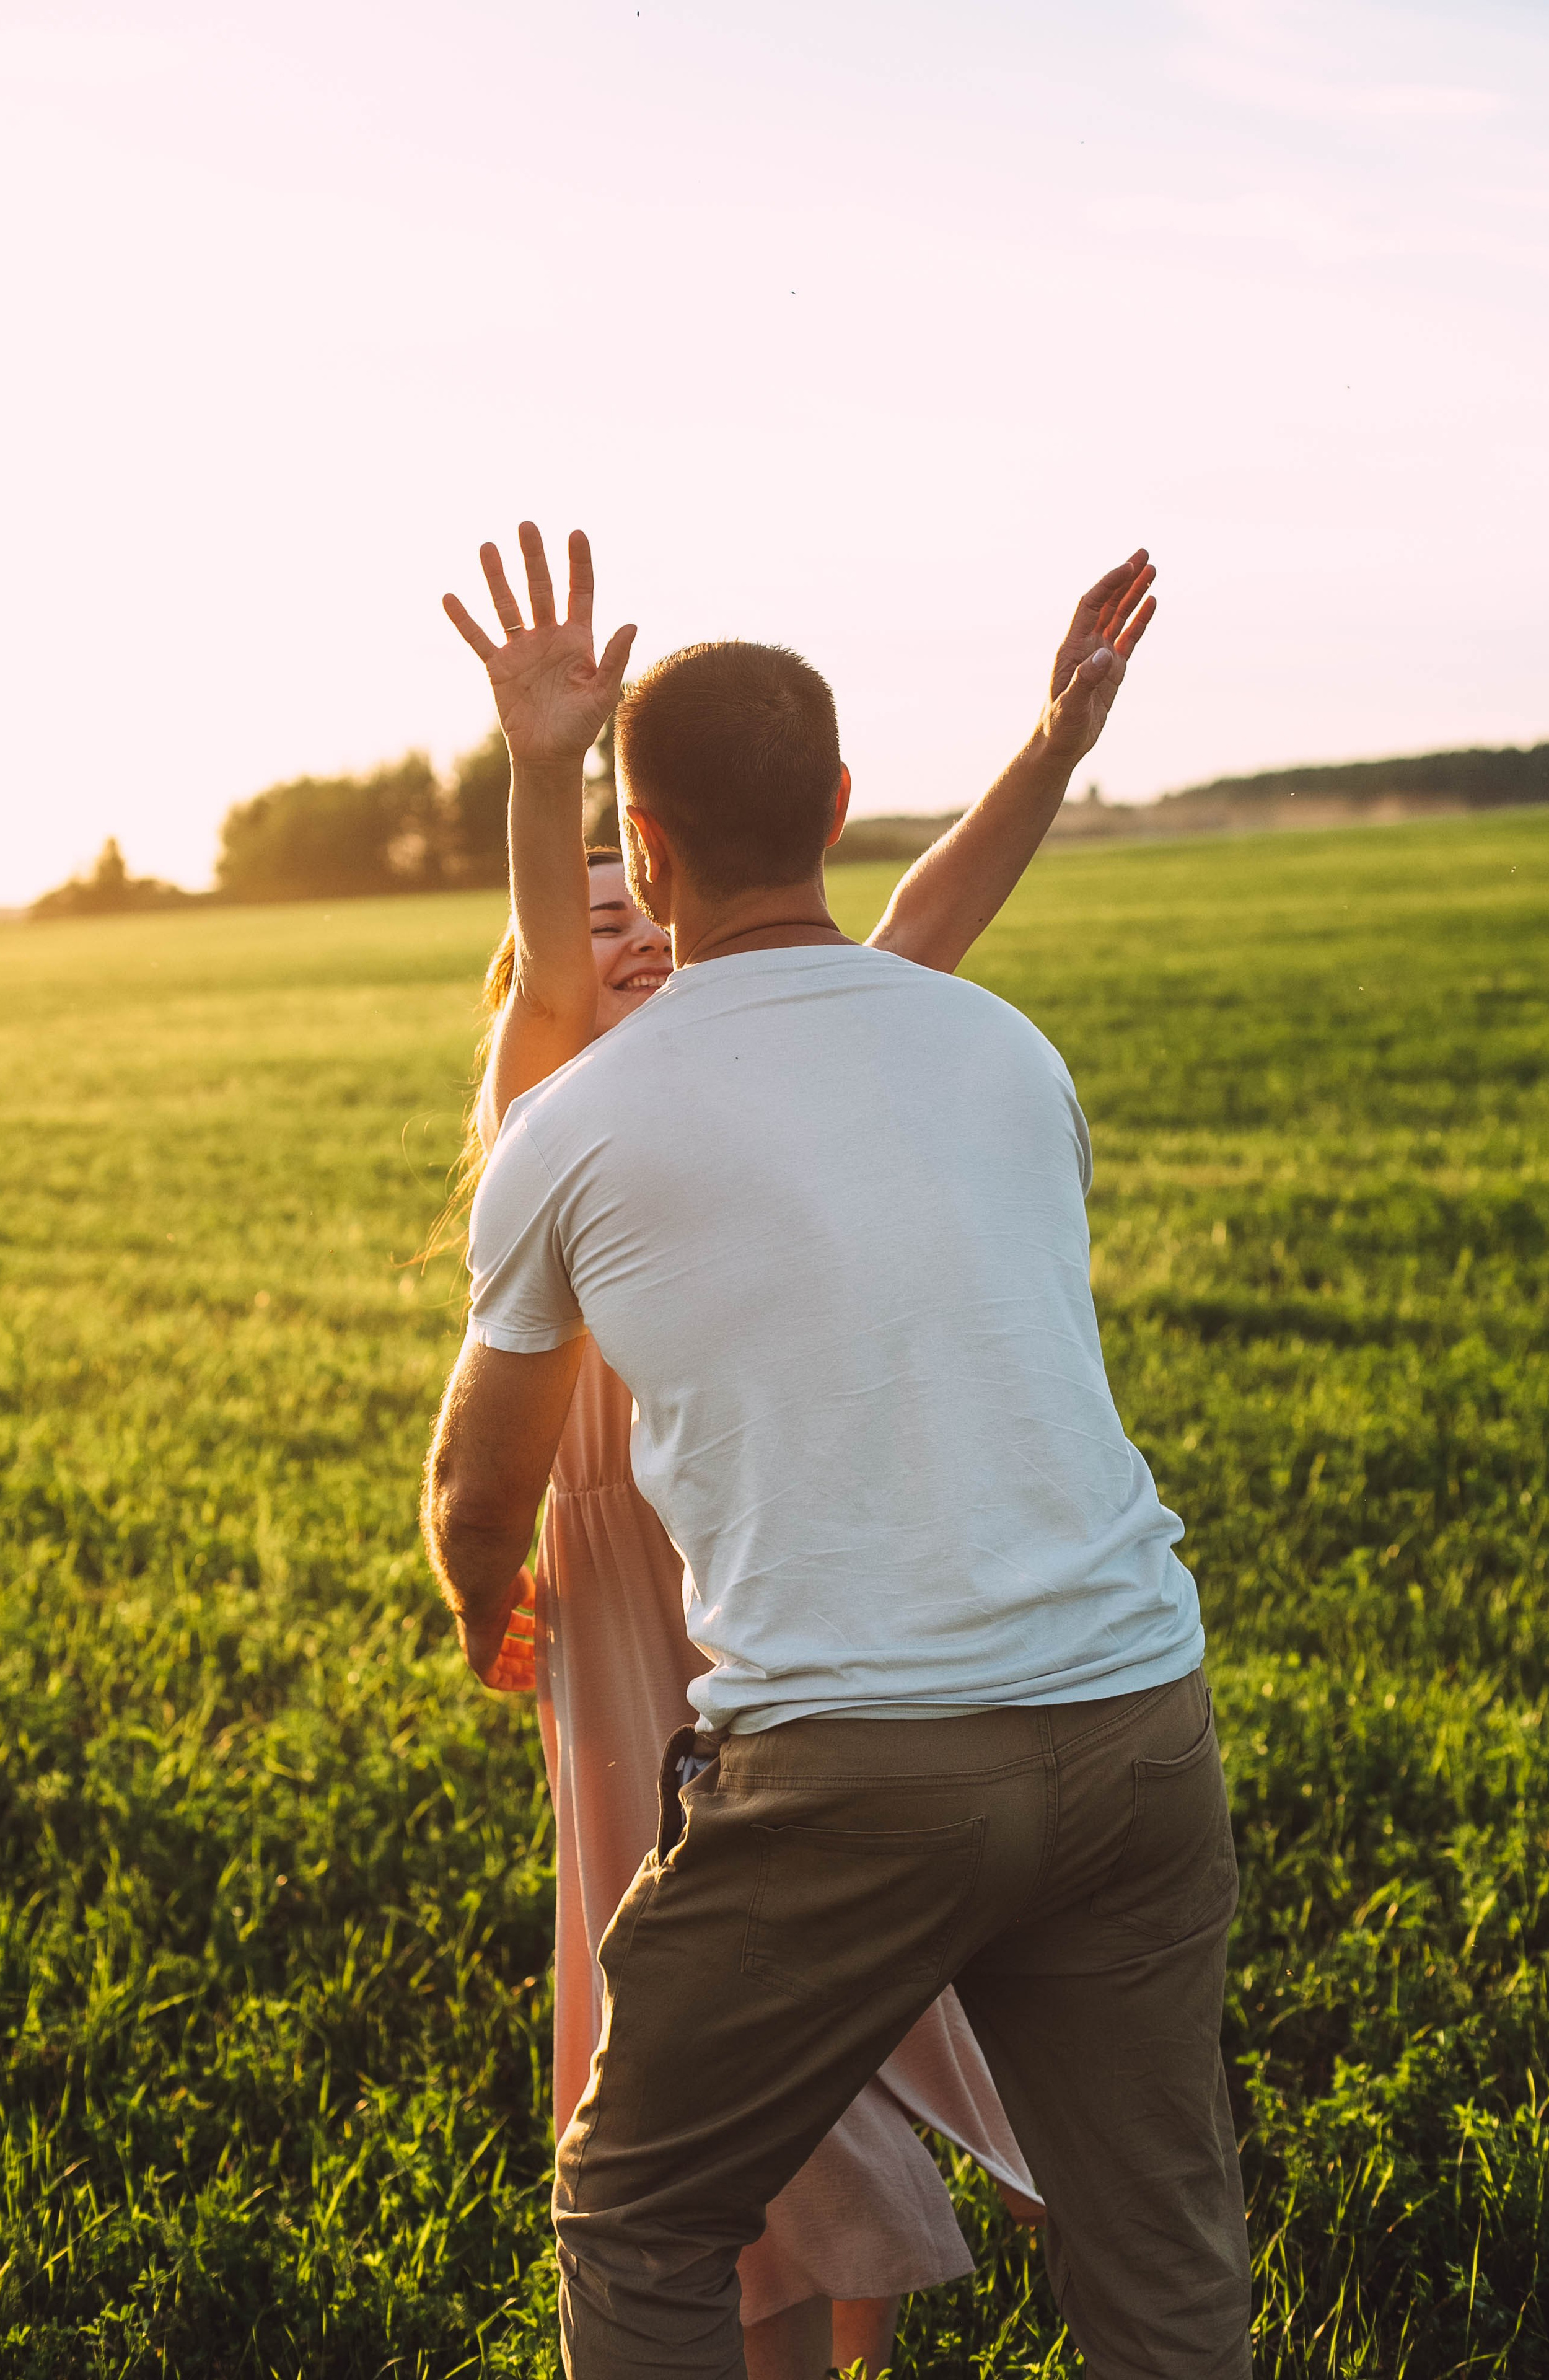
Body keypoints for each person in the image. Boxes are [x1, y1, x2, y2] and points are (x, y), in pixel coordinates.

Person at [421, 526, 1250, 2380]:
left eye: (634, 894)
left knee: (645, 2200)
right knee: (1157, 2244)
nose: (623, 944)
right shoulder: (635, 1087)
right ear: (838, 807)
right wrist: (552, 769)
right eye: (586, 932)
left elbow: (914, 920)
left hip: (830, 1702)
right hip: (1065, 1682)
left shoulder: (698, 1084)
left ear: (657, 852)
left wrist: (1050, 745)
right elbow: (568, 986)